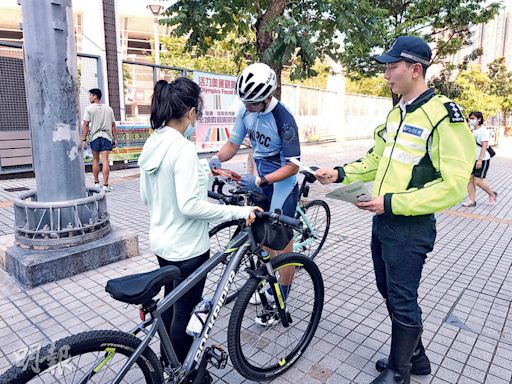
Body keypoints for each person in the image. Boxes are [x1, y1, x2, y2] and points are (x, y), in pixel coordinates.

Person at [315, 36, 475, 384]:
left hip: (410, 225)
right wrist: (340, 173)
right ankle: (415, 357)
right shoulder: (396, 112)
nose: (386, 74)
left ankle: (398, 372)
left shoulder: (444, 117)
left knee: (402, 297)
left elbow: (453, 184)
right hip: (384, 219)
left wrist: (392, 202)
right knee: (387, 288)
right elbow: (377, 160)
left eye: (392, 66)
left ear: (415, 69)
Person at [138, 78, 260, 368]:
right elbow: (190, 206)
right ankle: (182, 369)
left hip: (162, 241)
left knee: (169, 302)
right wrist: (239, 213)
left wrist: (200, 175)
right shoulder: (183, 149)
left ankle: (166, 359)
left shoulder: (154, 141)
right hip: (187, 248)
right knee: (185, 310)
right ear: (192, 112)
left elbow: (147, 196)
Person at [208, 63, 301, 325]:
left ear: (267, 97)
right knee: (259, 237)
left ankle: (282, 297)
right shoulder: (246, 111)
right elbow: (233, 144)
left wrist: (261, 180)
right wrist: (216, 159)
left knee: (279, 246)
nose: (247, 106)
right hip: (258, 181)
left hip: (281, 184)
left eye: (253, 102)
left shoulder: (284, 119)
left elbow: (293, 165)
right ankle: (266, 280)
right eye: (245, 101)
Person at [81, 88, 118, 192]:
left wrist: (83, 139)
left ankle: (97, 183)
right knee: (105, 160)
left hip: (95, 137)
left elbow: (86, 124)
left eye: (90, 95)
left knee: (96, 160)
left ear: (95, 96)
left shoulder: (89, 109)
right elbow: (113, 125)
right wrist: (115, 138)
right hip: (107, 137)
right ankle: (106, 185)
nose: (89, 97)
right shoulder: (109, 109)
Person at [462, 111, 497, 207]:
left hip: (482, 159)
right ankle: (471, 201)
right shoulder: (473, 130)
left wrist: (480, 160)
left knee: (477, 181)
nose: (471, 120)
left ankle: (492, 194)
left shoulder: (483, 131)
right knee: (470, 180)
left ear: (479, 119)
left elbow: (484, 146)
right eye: (470, 118)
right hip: (472, 158)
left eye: (473, 118)